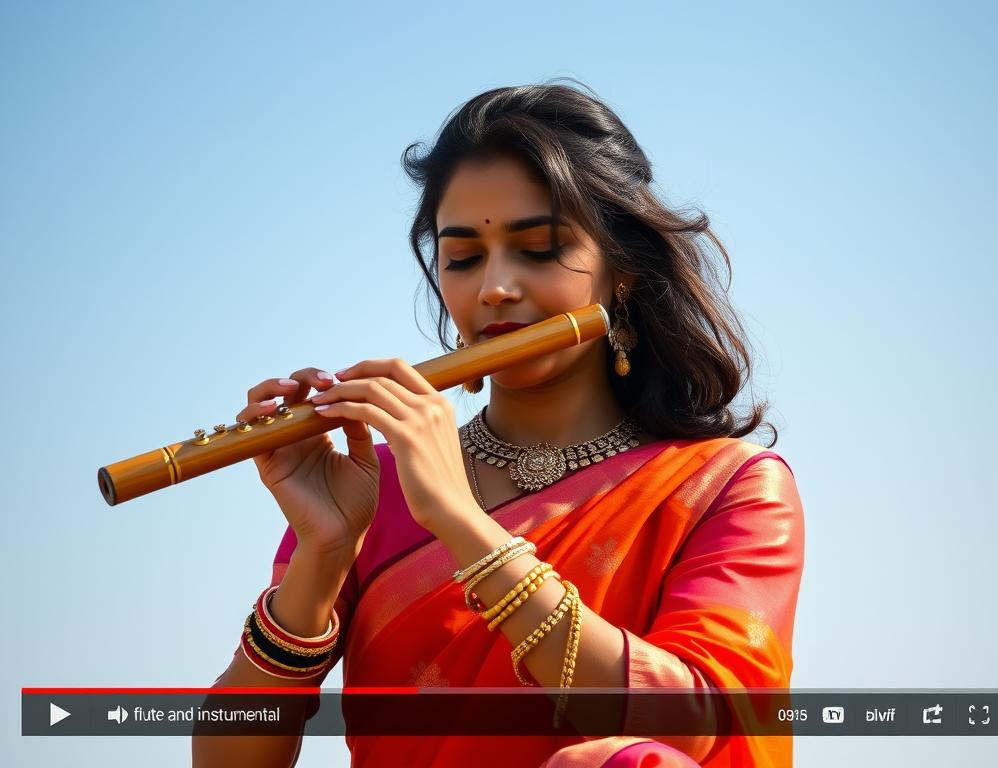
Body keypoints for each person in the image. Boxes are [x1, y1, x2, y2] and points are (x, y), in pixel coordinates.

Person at [193, 81, 805, 768]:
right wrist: (323, 553)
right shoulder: (379, 487)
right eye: (462, 258)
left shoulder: (728, 487)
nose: (493, 288)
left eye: (538, 249)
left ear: (623, 270)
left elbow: (696, 728)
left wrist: (460, 521)